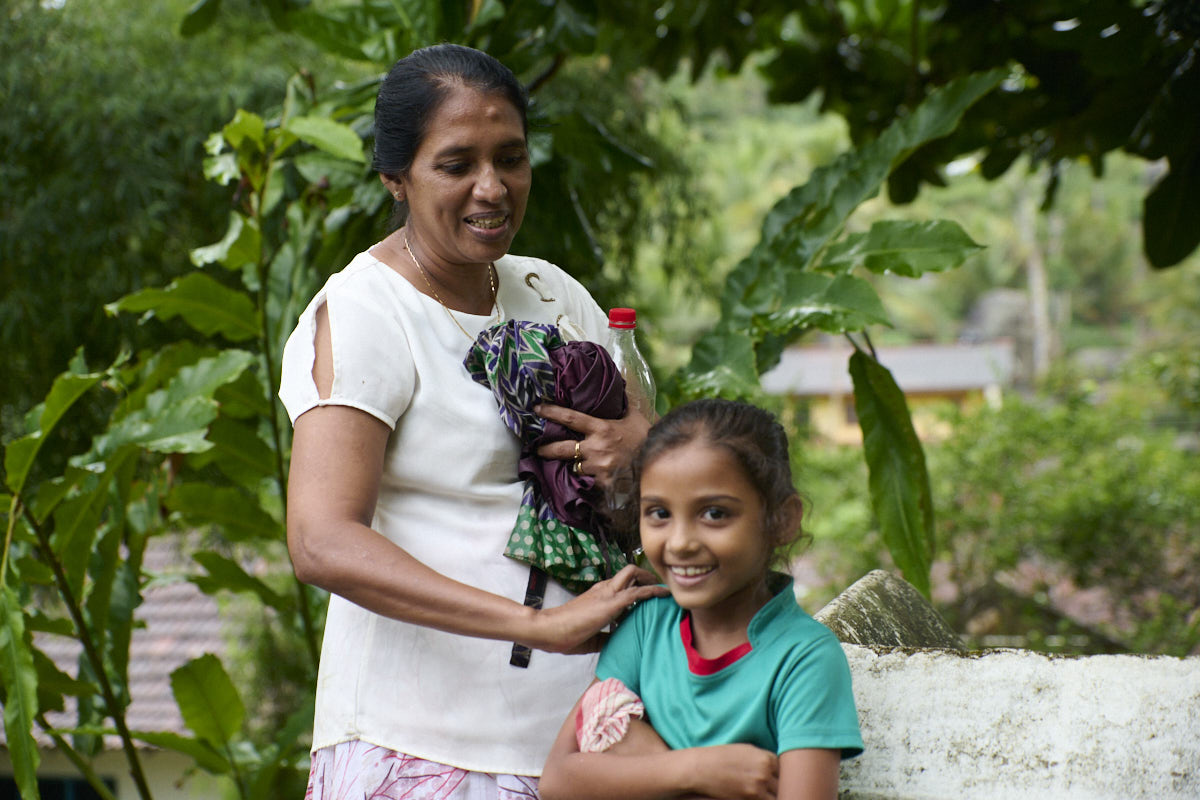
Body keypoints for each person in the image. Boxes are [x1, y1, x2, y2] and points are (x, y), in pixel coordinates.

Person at [279, 43, 664, 799]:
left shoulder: (552, 293)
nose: (493, 188)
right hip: (421, 747)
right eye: (456, 165)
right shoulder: (366, 311)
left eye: (510, 159)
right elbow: (321, 541)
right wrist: (533, 624)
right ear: (396, 177)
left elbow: (656, 470)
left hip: (584, 744)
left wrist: (644, 452)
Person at [540, 398, 864, 800]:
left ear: (781, 520)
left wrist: (636, 762)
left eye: (714, 514)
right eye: (659, 513)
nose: (680, 543)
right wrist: (695, 770)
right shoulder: (648, 626)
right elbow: (558, 779)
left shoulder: (804, 658)